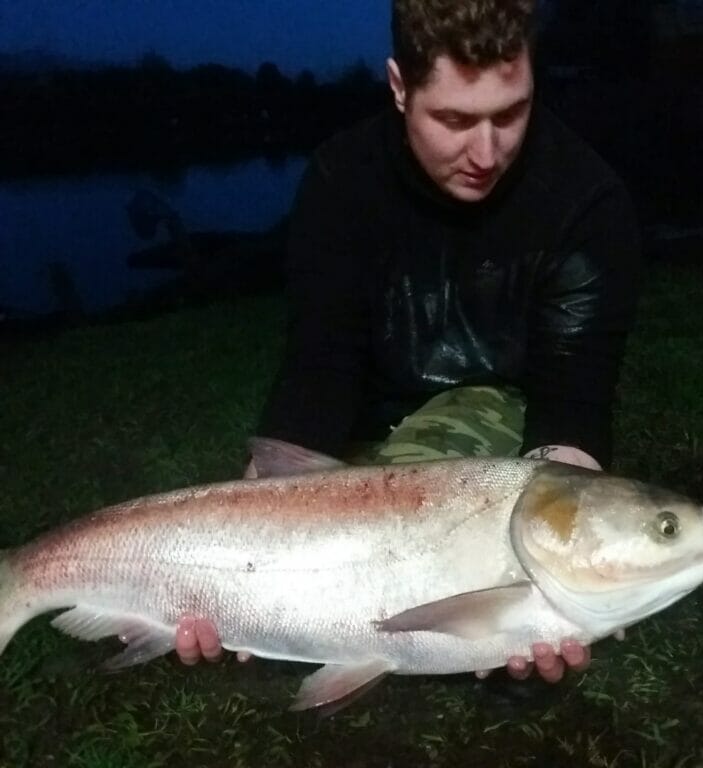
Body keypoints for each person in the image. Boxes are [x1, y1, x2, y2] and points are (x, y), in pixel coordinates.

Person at [175, 0, 642, 685]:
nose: (486, 153)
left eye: (510, 113)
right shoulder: (341, 181)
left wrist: (556, 574)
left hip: (493, 425)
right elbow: (320, 366)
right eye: (453, 120)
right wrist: (256, 554)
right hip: (369, 419)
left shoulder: (588, 205)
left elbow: (573, 399)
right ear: (399, 87)